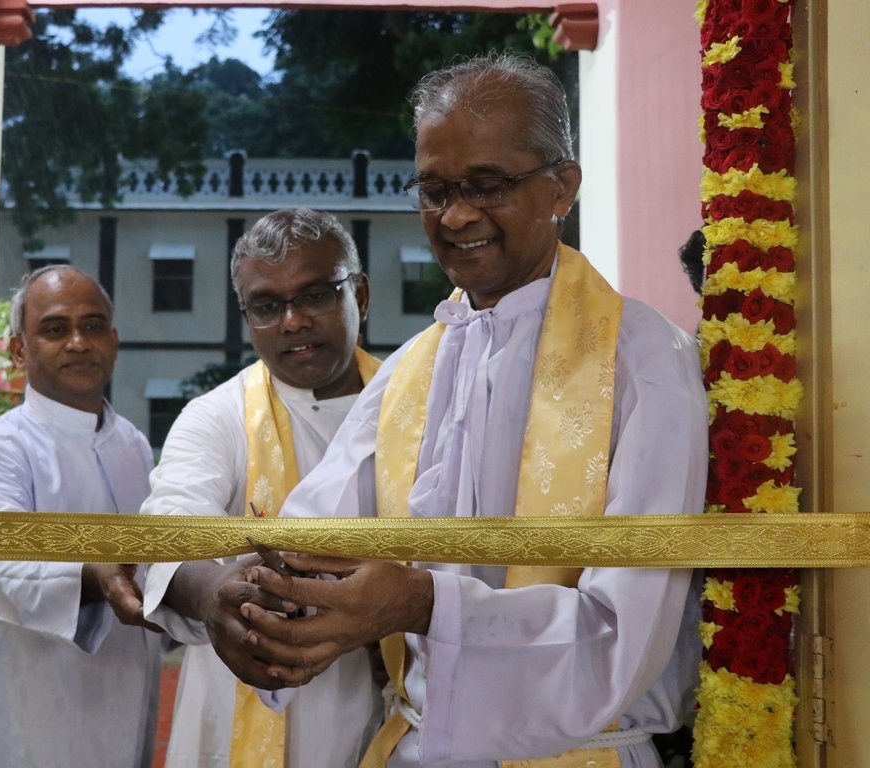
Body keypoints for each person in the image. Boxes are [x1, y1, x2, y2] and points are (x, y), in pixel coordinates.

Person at [229, 53, 709, 768]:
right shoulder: (411, 369)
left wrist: (422, 604)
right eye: (435, 189)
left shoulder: (645, 361)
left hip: (583, 751)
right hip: (415, 746)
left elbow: (625, 633)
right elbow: (317, 536)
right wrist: (256, 600)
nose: (455, 215)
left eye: (488, 185)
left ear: (562, 186)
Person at [140, 208, 384, 767]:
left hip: (385, 704)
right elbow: (168, 528)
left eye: (316, 296)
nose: (292, 322)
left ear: (360, 296)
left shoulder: (415, 408)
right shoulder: (218, 417)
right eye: (268, 307)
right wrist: (213, 592)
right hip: (238, 705)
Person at [0, 265, 162, 768]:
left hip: (123, 682)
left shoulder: (133, 445)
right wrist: (92, 576)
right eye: (56, 329)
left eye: (93, 326)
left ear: (114, 341)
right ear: (20, 351)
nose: (78, 343)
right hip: (24, 692)